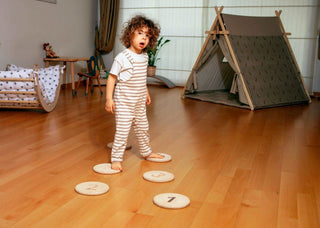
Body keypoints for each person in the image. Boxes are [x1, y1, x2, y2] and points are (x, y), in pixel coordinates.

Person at [105, 15, 164, 171]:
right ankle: (116, 159)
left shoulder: (144, 57)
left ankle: (146, 152)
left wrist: (146, 92)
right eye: (140, 33)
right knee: (123, 131)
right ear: (129, 35)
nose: (143, 37)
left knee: (143, 127)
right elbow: (111, 78)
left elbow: (140, 77)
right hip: (124, 102)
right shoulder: (122, 58)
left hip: (138, 101)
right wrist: (108, 99)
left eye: (147, 35)